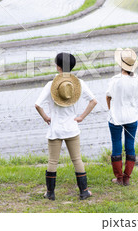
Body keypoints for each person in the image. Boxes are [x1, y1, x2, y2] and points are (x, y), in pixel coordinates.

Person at [35, 53, 97, 200]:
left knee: (52, 161)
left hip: (55, 128)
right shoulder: (79, 83)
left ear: (58, 67)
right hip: (72, 128)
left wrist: (45, 117)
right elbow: (93, 101)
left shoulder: (51, 85)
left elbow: (37, 105)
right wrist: (81, 117)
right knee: (77, 159)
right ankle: (84, 191)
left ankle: (50, 193)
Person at [106, 48, 138, 186]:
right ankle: (127, 178)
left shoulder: (115, 80)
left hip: (115, 118)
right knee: (130, 146)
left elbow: (108, 96)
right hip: (132, 116)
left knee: (116, 145)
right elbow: (136, 96)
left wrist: (112, 110)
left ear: (121, 64)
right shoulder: (137, 79)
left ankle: (119, 178)